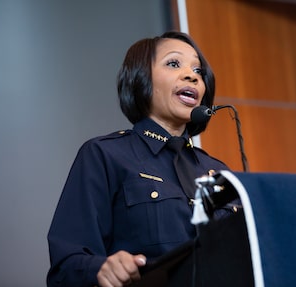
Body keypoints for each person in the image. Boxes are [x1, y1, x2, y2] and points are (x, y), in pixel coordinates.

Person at [47, 31, 235, 287]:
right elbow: (66, 267)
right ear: (142, 79)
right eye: (173, 63)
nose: (192, 75)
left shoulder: (218, 171)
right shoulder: (105, 155)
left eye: (198, 71)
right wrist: (101, 269)